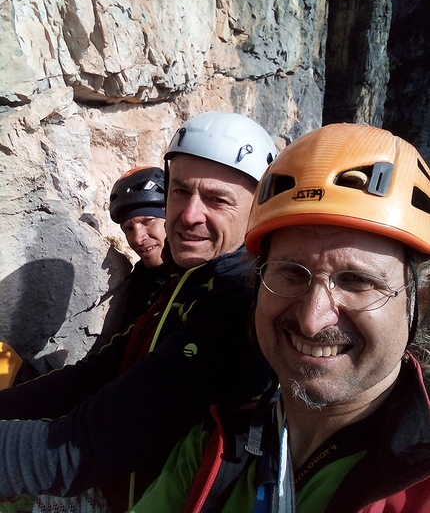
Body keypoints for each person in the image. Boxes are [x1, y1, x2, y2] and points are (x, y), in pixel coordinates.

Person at [130, 123, 430, 513]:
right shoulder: (212, 447)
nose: (312, 319)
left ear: (416, 302)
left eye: (356, 281)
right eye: (290, 272)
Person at [0, 111, 277, 512]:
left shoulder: (236, 305)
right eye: (180, 192)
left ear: (258, 210)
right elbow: (95, 375)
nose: (189, 214)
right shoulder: (187, 280)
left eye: (217, 199)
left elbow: (85, 445)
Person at [108, 166, 167, 326]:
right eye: (128, 229)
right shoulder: (142, 279)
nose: (138, 239)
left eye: (148, 221)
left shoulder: (208, 277)